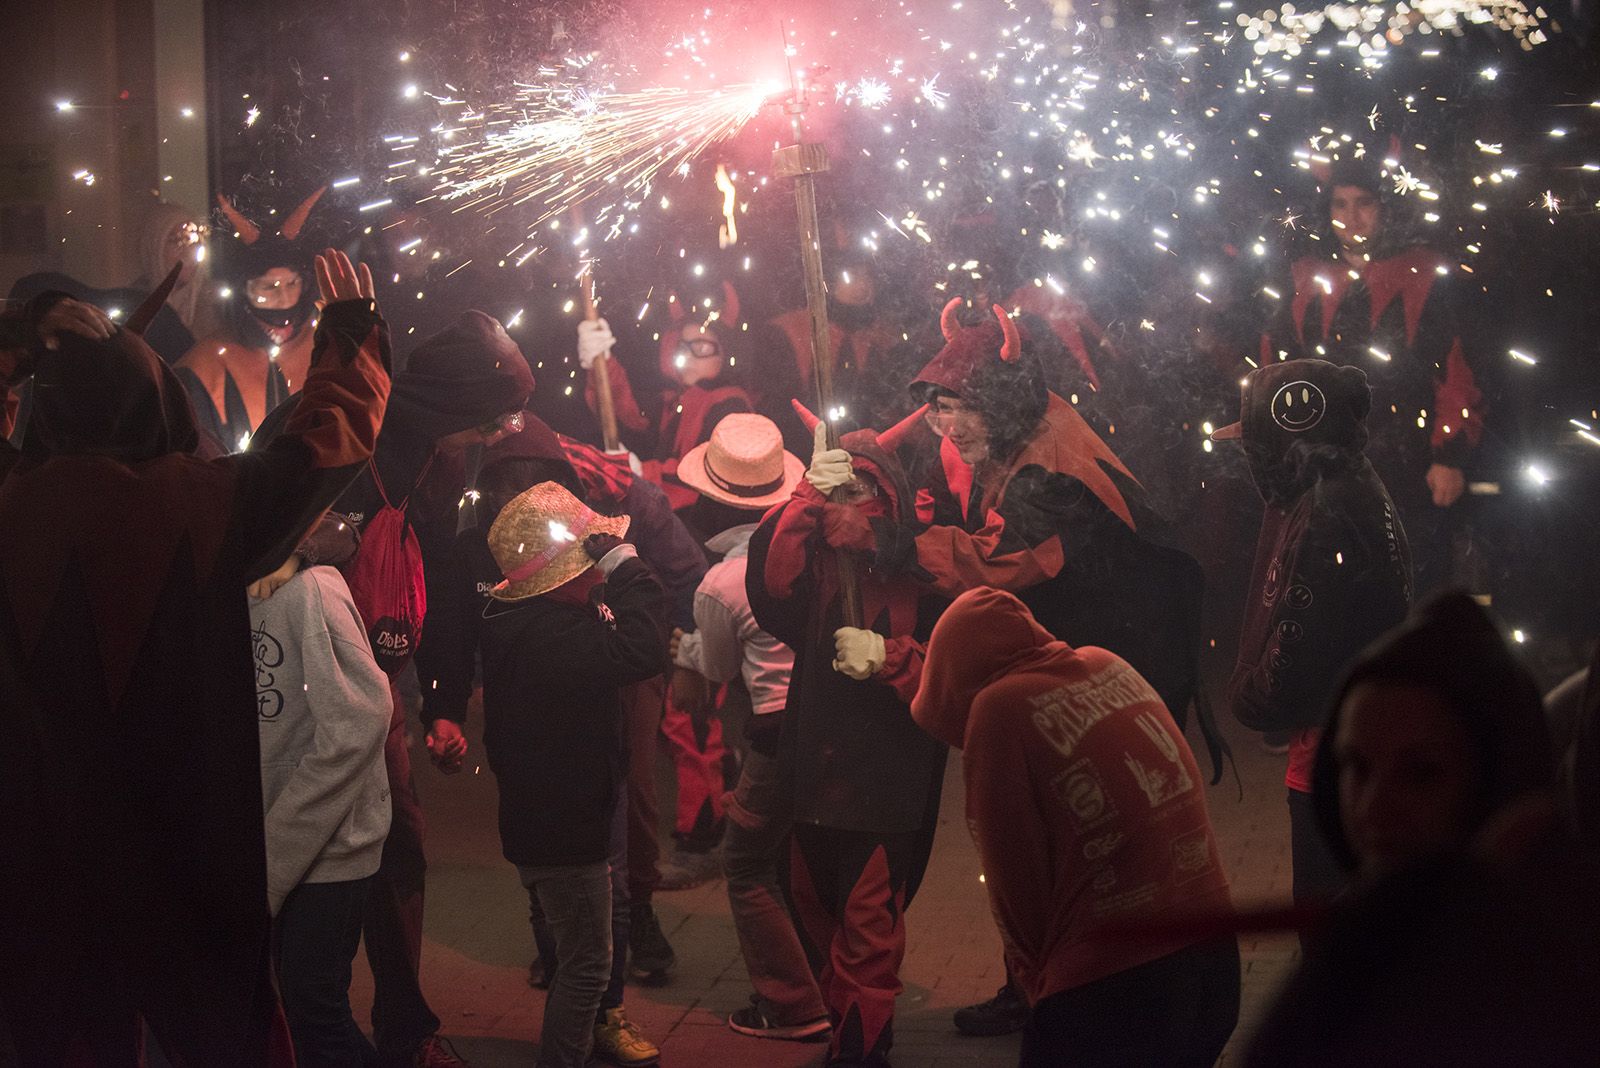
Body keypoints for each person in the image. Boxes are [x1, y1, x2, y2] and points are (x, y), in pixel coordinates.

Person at [0, 250, 389, 1064]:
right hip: (186, 853)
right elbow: (327, 442)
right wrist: (351, 337)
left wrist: (28, 334)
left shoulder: (12, 503)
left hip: (40, 857)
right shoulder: (207, 503)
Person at [833, 300, 1221, 1036]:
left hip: (1120, 664)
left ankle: (1076, 987)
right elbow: (952, 496)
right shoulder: (1021, 428)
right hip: (1094, 653)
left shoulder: (1051, 472)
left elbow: (996, 559)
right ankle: (1051, 979)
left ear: (1001, 402)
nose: (947, 426)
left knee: (1070, 841)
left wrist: (886, 542)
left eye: (959, 408)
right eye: (940, 408)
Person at [254, 307, 535, 1067]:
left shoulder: (436, 457)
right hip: (304, 683)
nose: (495, 439)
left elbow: (436, 569)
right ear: (456, 403)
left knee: (395, 846)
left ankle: (404, 1023)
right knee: (315, 843)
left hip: (377, 681)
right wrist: (310, 545)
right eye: (492, 420)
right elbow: (256, 538)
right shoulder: (334, 434)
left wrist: (442, 699)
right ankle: (293, 1016)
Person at [1245, 593, 1598, 1066]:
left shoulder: (1543, 974)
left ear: (1496, 779)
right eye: (1357, 766)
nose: (1373, 807)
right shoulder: (1372, 931)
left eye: (1422, 774)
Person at [422, 424, 669, 1066]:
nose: (522, 491)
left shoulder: (534, 611)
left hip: (566, 784)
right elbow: (638, 645)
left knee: (589, 908)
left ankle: (595, 1012)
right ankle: (577, 1018)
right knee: (584, 931)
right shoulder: (533, 607)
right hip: (565, 796)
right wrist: (443, 709)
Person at [913, 587, 1240, 1068]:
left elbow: (1014, 879)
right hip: (1216, 960)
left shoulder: (997, 709)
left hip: (1113, 984)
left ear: (954, 675)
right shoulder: (1107, 663)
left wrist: (1036, 983)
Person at [746, 403, 949, 1068]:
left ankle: (865, 1051)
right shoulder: (817, 562)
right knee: (813, 903)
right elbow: (772, 585)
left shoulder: (921, 560)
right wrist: (806, 496)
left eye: (870, 488)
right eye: (847, 486)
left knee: (868, 926)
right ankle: (846, 1035)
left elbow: (951, 673)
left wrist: (892, 659)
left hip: (886, 773)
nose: (855, 499)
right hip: (816, 761)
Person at [1214, 359, 1413, 928]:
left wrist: (1252, 695)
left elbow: (1300, 648)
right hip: (1347, 732)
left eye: (1257, 443)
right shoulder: (1343, 485)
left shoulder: (1324, 512)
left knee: (1331, 920)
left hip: (1331, 751)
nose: (1251, 459)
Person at [669, 413, 830, 1041]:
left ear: (708, 499)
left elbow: (712, 677)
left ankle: (792, 1004)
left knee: (746, 865)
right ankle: (826, 979)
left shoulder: (722, 580)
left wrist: (684, 649)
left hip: (778, 735)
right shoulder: (823, 547)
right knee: (808, 857)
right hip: (842, 727)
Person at [579, 301, 750, 883]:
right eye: (686, 343)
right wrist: (600, 365)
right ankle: (705, 827)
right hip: (683, 562)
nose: (691, 354)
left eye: (706, 345)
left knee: (695, 715)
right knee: (685, 718)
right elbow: (625, 423)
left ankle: (705, 833)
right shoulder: (674, 398)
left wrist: (638, 476)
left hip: (707, 566)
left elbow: (681, 477)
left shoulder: (730, 405)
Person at [1263, 157, 1483, 593]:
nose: (1351, 217)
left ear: (1385, 207)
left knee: (1409, 579)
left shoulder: (1423, 271)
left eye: (1364, 204)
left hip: (1406, 454)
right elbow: (1278, 364)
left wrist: (1448, 455)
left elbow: (1456, 369)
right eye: (1340, 205)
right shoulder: (1305, 275)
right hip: (1324, 460)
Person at [251, 517, 393, 1065]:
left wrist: (274, 858)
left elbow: (357, 723)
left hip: (331, 848)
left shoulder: (310, 590)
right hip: (272, 842)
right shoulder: (217, 588)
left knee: (315, 1009)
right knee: (290, 1009)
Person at [177, 186, 328, 448]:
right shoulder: (206, 367)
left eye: (292, 284)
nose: (283, 299)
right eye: (268, 287)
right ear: (243, 293)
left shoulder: (325, 350)